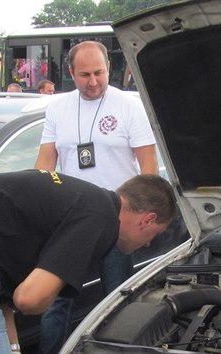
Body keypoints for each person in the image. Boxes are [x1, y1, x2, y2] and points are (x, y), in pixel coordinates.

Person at [0, 170, 176, 354]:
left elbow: (6, 300)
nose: (150, 243)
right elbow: (29, 300)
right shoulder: (101, 219)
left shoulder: (82, 201)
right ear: (148, 219)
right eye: (156, 234)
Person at [34, 40, 159, 353]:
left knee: (114, 300)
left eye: (99, 73)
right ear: (71, 74)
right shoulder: (58, 107)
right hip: (70, 219)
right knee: (56, 302)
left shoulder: (129, 105)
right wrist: (38, 204)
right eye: (85, 75)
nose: (93, 82)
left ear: (109, 69)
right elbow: (44, 163)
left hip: (117, 220)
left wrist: (144, 218)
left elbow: (149, 168)